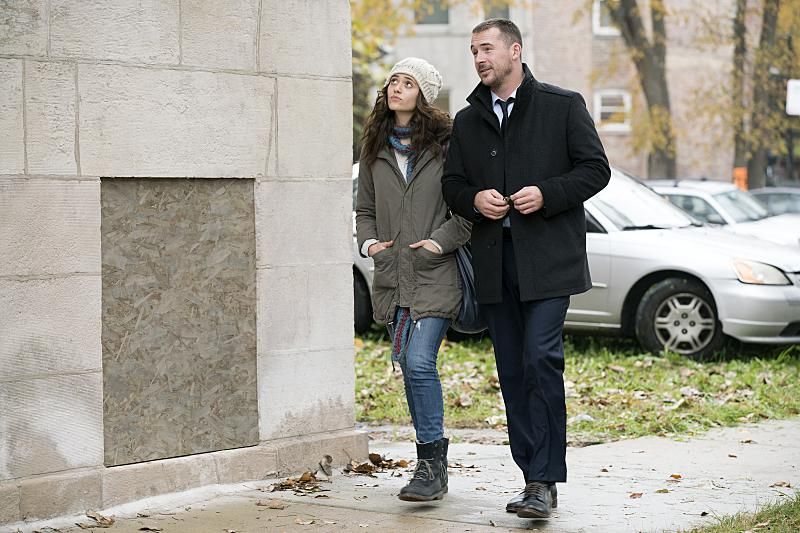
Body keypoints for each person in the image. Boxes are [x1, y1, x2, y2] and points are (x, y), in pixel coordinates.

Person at [442, 19, 610, 519]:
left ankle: (544, 478)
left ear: (515, 50)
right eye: (473, 51)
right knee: (513, 372)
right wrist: (474, 199)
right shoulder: (468, 121)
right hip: (495, 266)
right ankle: (532, 479)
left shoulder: (563, 105)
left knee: (541, 360)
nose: (479, 58)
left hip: (549, 264)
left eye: (487, 48)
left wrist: (548, 193)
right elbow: (451, 185)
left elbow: (595, 169)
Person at [355, 57, 471, 502]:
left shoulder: (446, 146)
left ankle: (429, 467)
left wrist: (439, 243)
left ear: (423, 93)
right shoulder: (375, 148)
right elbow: (364, 210)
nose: (396, 89)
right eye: (392, 82)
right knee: (409, 368)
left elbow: (466, 211)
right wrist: (370, 245)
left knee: (420, 362)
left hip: (436, 273)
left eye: (406, 83)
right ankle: (431, 465)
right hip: (392, 276)